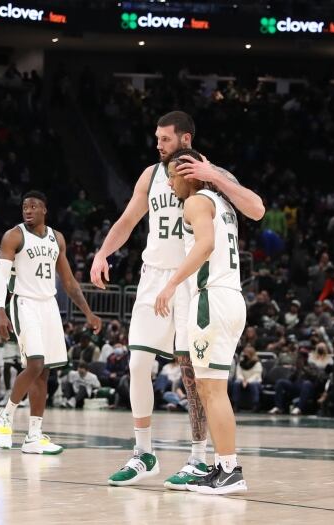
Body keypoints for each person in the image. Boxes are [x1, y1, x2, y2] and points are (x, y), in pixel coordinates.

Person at [90, 111, 263, 489]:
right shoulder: (151, 176)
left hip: (194, 282)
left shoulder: (210, 178)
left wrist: (215, 176)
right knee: (138, 363)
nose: (158, 145)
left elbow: (255, 209)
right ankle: (143, 453)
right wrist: (103, 253)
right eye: (156, 138)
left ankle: (200, 459)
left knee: (194, 374)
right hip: (156, 276)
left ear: (185, 140)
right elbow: (127, 219)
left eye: (165, 139)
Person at [153, 148, 248, 494]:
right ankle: (224, 467)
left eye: (173, 175)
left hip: (211, 299)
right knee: (211, 388)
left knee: (212, 389)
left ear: (190, 175)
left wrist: (171, 283)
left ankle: (229, 470)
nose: (168, 182)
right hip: (231, 297)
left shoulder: (195, 202)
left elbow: (205, 244)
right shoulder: (222, 203)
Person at [0, 191, 102, 455]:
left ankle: (34, 435)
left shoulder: (57, 238)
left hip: (49, 305)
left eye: (33, 206)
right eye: (24, 207)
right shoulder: (14, 236)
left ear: (44, 210)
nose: (27, 210)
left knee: (44, 371)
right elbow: (0, 275)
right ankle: (4, 416)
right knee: (35, 363)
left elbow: (68, 281)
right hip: (24, 303)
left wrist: (88, 312)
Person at [231, 346, 262, 412]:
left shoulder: (257, 363)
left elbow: (256, 375)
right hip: (242, 380)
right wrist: (242, 380)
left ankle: (255, 405)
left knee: (253, 384)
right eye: (244, 352)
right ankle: (235, 404)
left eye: (247, 353)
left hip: (254, 381)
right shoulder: (241, 363)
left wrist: (247, 381)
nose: (245, 354)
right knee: (236, 383)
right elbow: (238, 373)